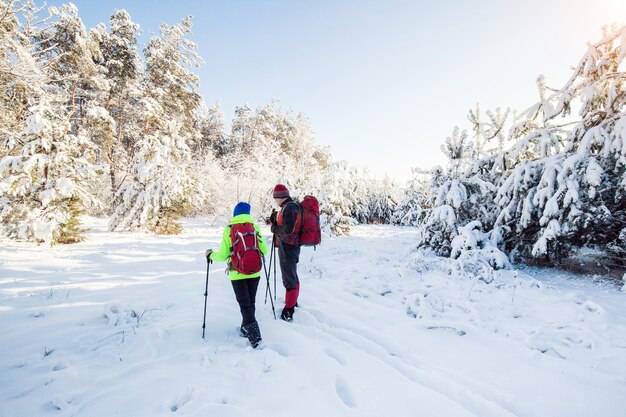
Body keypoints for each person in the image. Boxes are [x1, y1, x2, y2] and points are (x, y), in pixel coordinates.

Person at [205, 202, 268, 348]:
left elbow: (222, 255)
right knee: (250, 302)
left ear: (235, 214)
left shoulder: (229, 229)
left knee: (244, 304)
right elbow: (264, 250)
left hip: (237, 273)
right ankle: (245, 328)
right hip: (255, 272)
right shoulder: (255, 228)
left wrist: (210, 255)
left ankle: (255, 338)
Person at [269, 184, 301, 322]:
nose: (275, 201)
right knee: (292, 275)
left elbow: (287, 230)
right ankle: (293, 302)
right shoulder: (288, 207)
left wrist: (274, 228)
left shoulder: (290, 207)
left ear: (279, 197)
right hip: (290, 246)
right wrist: (275, 221)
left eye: (275, 198)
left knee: (289, 278)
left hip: (288, 247)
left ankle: (289, 310)